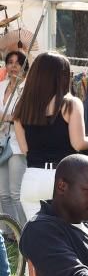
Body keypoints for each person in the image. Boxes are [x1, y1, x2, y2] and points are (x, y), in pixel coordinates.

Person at [13, 52, 88, 221]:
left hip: (32, 178)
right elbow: (78, 143)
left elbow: (26, 149)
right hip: (63, 178)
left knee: (38, 240)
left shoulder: (22, 106)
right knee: (69, 238)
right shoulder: (70, 103)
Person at [0, 50, 27, 225]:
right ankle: (11, 232)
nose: (13, 66)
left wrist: (7, 118)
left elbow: (26, 116)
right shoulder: (1, 86)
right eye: (10, 62)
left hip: (17, 143)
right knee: (3, 194)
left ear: (24, 66)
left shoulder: (27, 88)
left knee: (16, 193)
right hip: (2, 142)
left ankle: (26, 233)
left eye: (18, 63)